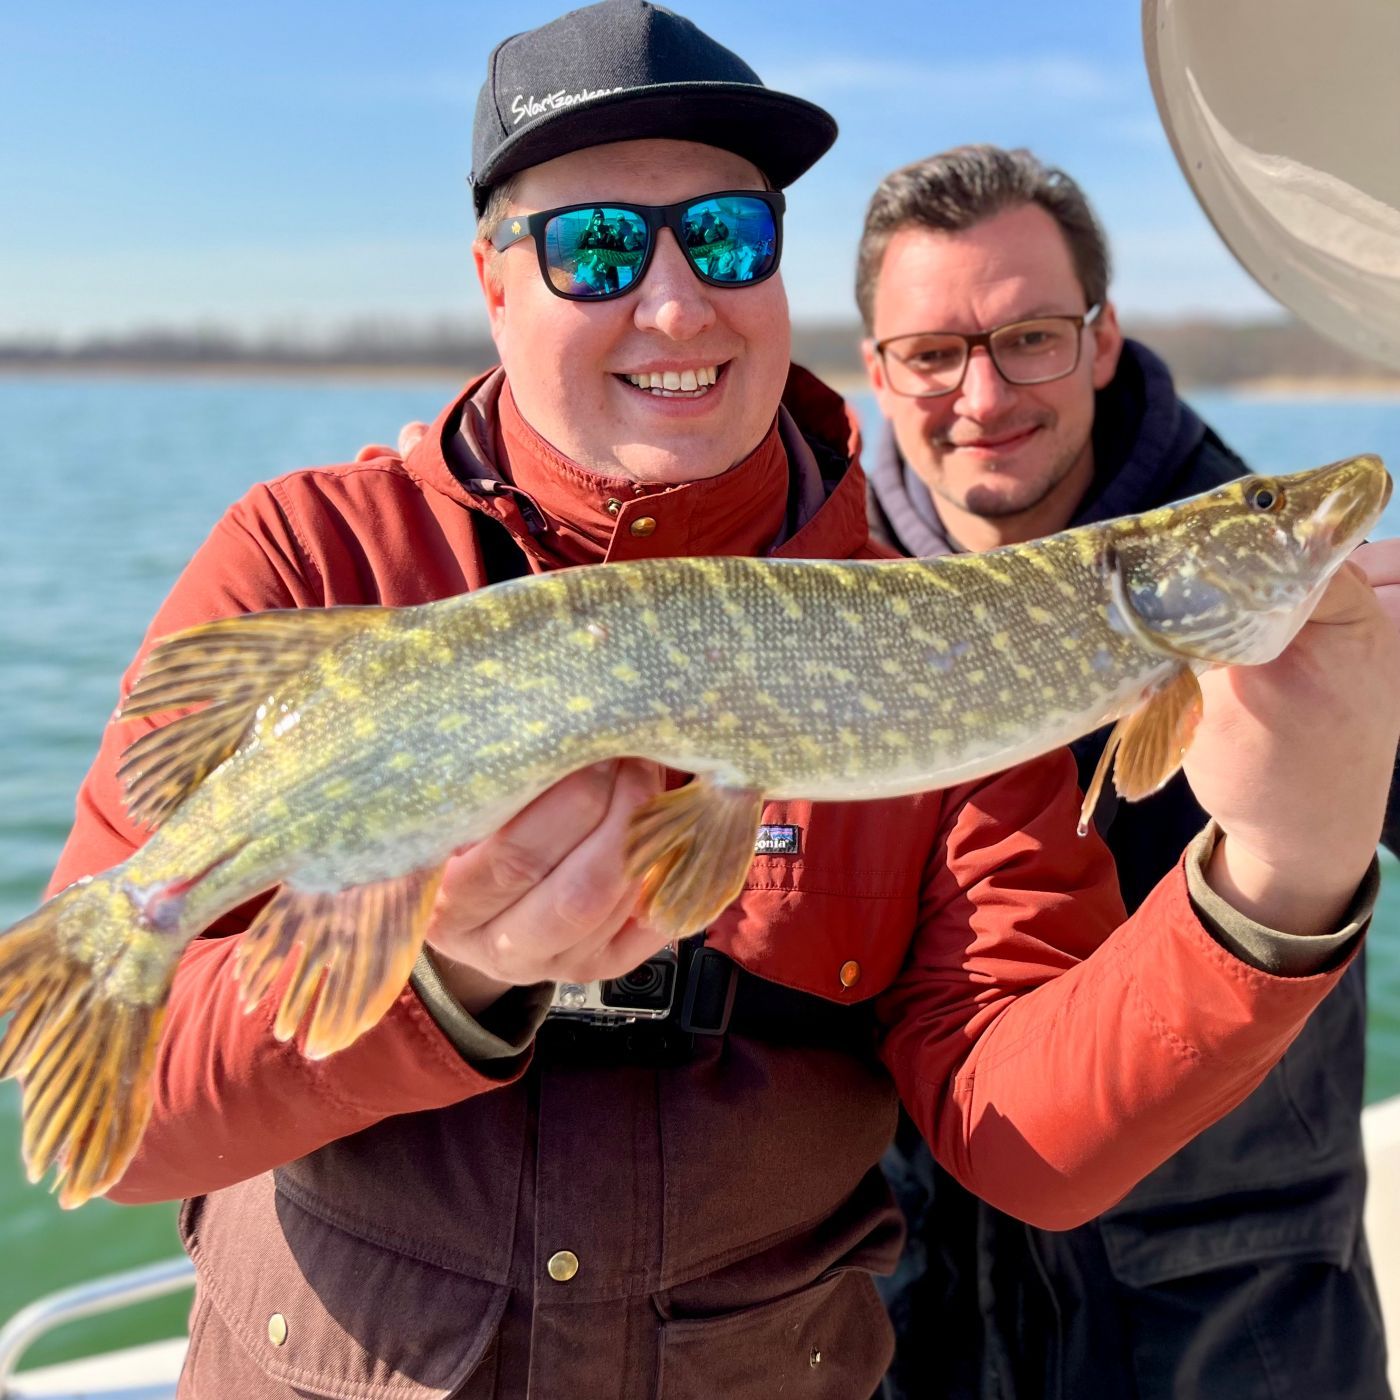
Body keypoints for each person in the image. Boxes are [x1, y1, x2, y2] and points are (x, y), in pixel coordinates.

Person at [44, 7, 1400, 1397]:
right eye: (598, 248)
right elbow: (115, 1126)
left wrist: (1284, 878)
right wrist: (441, 973)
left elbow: (1024, 1140)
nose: (678, 301)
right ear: (492, 281)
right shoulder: (311, 558)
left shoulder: (932, 630)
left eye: (730, 237)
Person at [859, 144, 1396, 1400]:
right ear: (876, 375)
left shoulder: (1260, 571)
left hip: (1234, 1325)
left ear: (1101, 340)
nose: (980, 394)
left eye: (1030, 337)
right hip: (910, 1327)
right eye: (933, 354)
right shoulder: (800, 586)